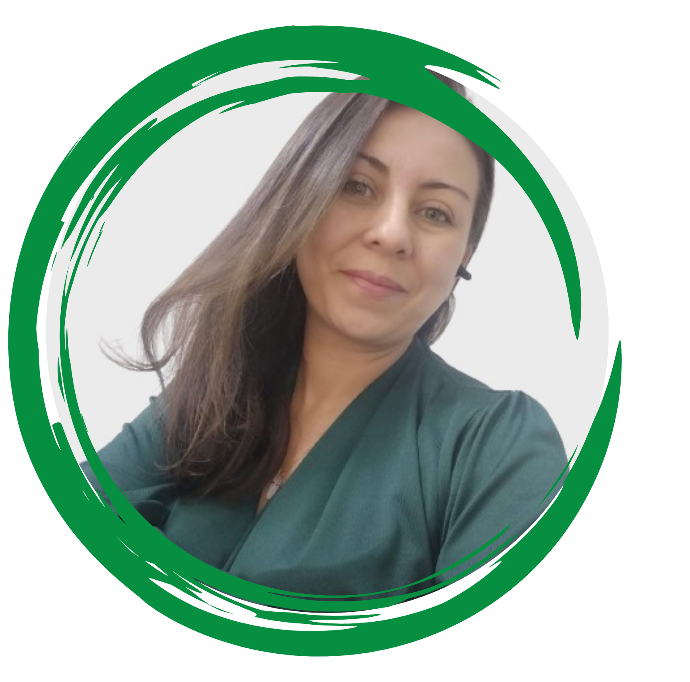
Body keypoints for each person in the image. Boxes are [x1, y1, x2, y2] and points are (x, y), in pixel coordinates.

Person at [82, 72, 568, 600]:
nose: (391, 233)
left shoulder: (496, 446)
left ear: (464, 256)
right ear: (299, 201)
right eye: (357, 186)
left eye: (435, 212)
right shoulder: (208, 399)